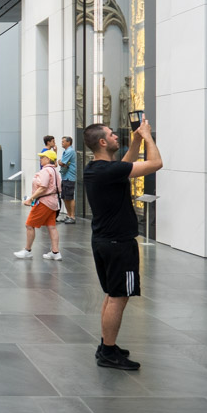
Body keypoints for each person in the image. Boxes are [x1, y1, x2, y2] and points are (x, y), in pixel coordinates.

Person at [83, 118, 162, 370]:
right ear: (102, 142)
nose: (116, 136)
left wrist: (136, 139)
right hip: (118, 244)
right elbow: (156, 163)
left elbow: (125, 163)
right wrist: (147, 136)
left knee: (112, 295)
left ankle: (107, 344)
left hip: (105, 241)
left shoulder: (98, 168)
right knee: (119, 297)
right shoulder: (108, 171)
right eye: (112, 134)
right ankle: (108, 352)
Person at [14, 150, 63, 261]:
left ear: (48, 159)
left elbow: (43, 187)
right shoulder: (55, 171)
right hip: (54, 202)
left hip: (44, 202)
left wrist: (31, 198)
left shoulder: (46, 171)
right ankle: (55, 252)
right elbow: (59, 187)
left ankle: (27, 250)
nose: (40, 159)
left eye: (42, 157)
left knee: (29, 225)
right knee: (52, 226)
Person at [58, 136, 77, 224]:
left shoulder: (70, 151)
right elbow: (63, 164)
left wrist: (60, 162)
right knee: (65, 197)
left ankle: (72, 216)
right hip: (65, 177)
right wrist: (62, 163)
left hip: (69, 177)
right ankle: (68, 215)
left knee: (69, 197)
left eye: (63, 141)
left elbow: (62, 163)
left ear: (68, 142)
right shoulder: (66, 151)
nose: (62, 143)